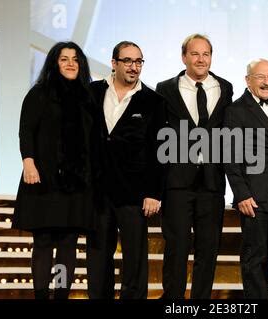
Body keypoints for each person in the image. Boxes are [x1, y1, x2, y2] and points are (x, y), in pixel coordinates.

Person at [13, 41, 96, 299]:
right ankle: (41, 296)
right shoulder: (39, 93)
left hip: (76, 182)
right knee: (44, 242)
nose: (71, 63)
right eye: (64, 59)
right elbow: (26, 130)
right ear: (54, 63)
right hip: (43, 179)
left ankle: (60, 296)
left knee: (68, 245)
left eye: (75, 59)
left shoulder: (88, 98)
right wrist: (28, 161)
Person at [155, 34, 233, 299]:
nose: (201, 59)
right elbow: (157, 136)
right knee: (176, 247)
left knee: (208, 249)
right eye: (195, 54)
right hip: (177, 181)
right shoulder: (165, 88)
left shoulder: (226, 87)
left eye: (206, 54)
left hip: (211, 181)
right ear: (184, 57)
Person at [86, 41, 165, 299]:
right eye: (128, 61)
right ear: (114, 63)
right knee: (98, 258)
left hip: (134, 193)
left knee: (135, 260)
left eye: (139, 61)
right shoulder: (91, 93)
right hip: (97, 191)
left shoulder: (153, 101)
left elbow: (158, 150)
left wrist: (154, 192)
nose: (134, 67)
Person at [224, 59, 268, 299]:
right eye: (260, 76)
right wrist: (241, 193)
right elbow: (229, 156)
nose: (266, 81)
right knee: (254, 259)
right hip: (254, 198)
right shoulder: (236, 110)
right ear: (247, 80)